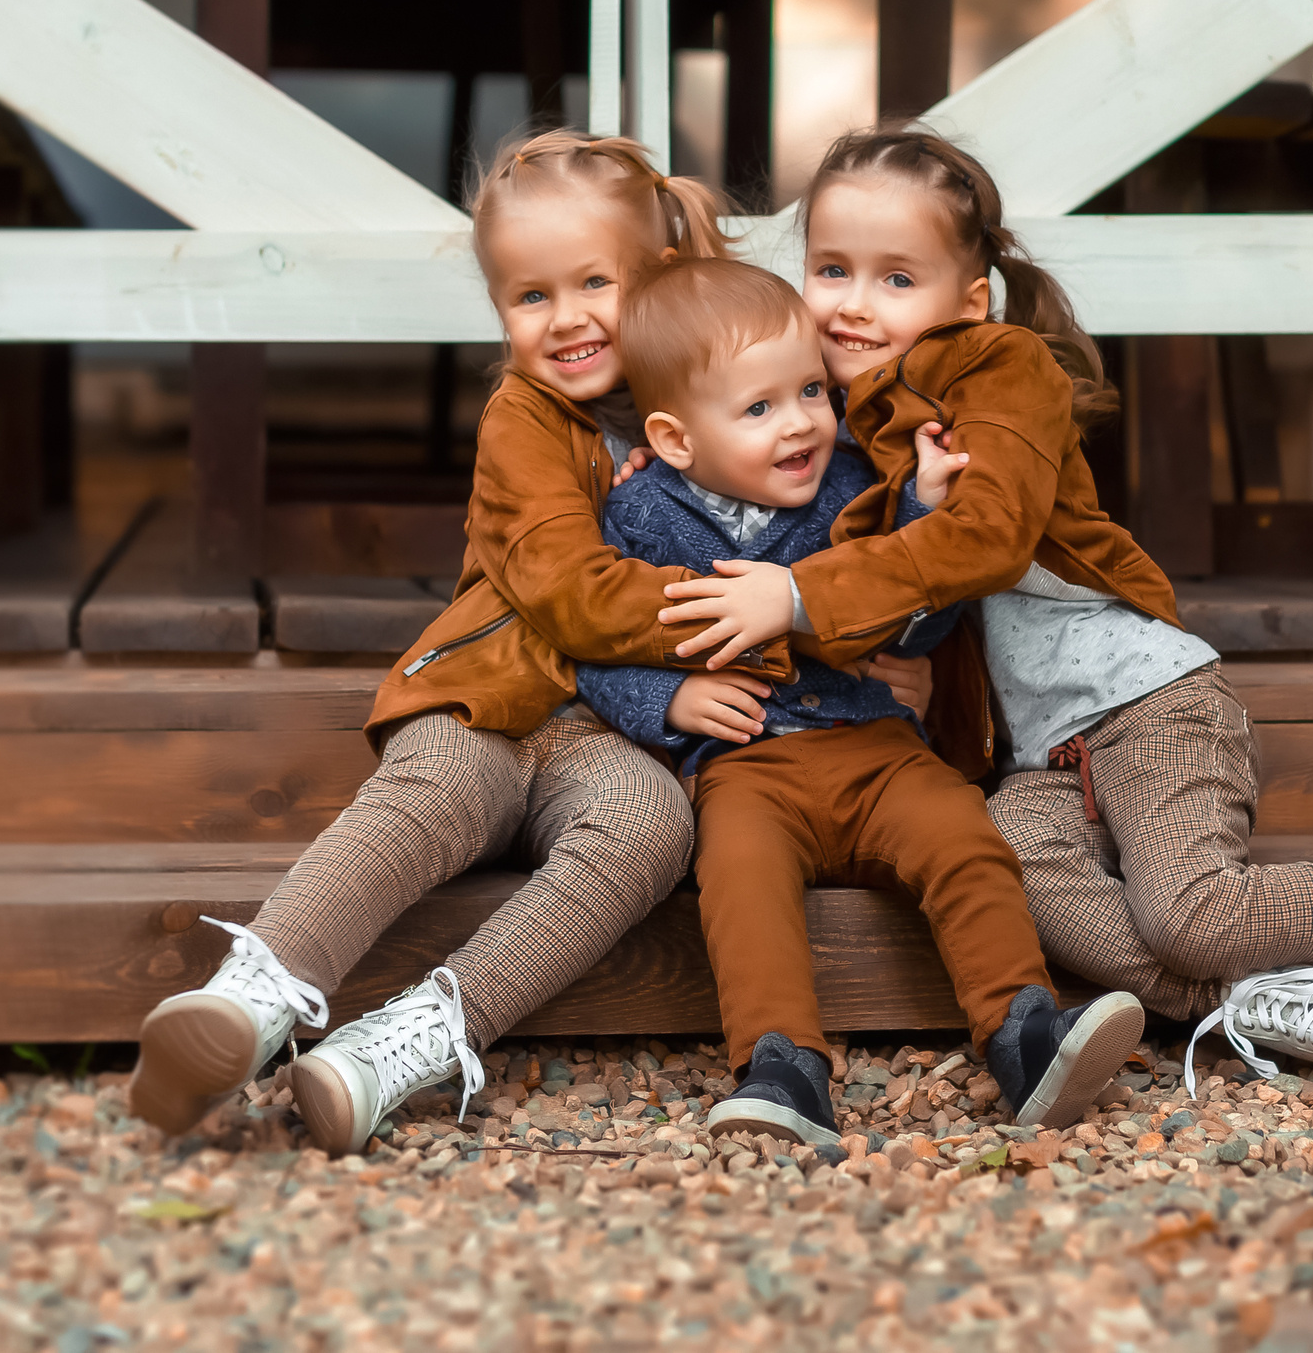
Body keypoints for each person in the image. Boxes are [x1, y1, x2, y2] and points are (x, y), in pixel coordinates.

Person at [653, 127, 1313, 1090]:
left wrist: (796, 595)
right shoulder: (831, 415)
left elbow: (987, 535)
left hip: (1139, 701)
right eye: (830, 269)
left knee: (1188, 914)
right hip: (1035, 758)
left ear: (971, 295)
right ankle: (1274, 999)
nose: (852, 304)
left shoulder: (1001, 368)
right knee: (1018, 879)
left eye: (895, 278)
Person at [127, 131, 811, 1150]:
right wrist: (728, 613)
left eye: (594, 282)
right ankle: (250, 997)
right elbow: (570, 594)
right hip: (489, 698)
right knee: (428, 794)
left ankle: (402, 1044)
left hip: (611, 736)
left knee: (649, 828)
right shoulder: (523, 419)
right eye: (530, 296)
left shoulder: (724, 401)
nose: (566, 317)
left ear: (660, 274)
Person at [574, 256, 1147, 1148]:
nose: (800, 421)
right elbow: (599, 644)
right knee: (739, 875)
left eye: (810, 389)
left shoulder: (852, 484)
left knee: (964, 836)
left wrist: (919, 510)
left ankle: (1022, 1029)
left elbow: (912, 626)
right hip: (749, 764)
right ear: (676, 438)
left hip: (877, 744)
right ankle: (780, 1061)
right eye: (759, 408)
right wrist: (669, 697)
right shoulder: (642, 514)